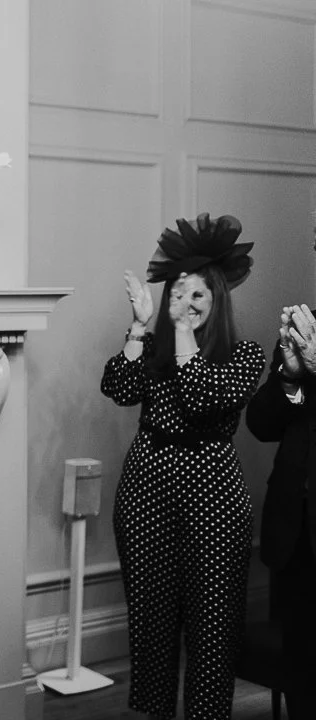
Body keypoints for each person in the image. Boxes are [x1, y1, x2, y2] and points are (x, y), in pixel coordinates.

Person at [100, 213, 264, 720]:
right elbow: (119, 389)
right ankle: (154, 711)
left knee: (213, 630)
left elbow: (199, 398)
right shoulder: (153, 350)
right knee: (151, 626)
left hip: (213, 501)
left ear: (217, 301)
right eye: (178, 294)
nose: (186, 305)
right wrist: (140, 326)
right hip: (146, 497)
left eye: (197, 295)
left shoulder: (244, 355)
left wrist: (184, 336)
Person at [245, 295, 316, 718]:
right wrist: (290, 380)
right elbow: (260, 424)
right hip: (297, 531)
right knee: (301, 668)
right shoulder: (304, 329)